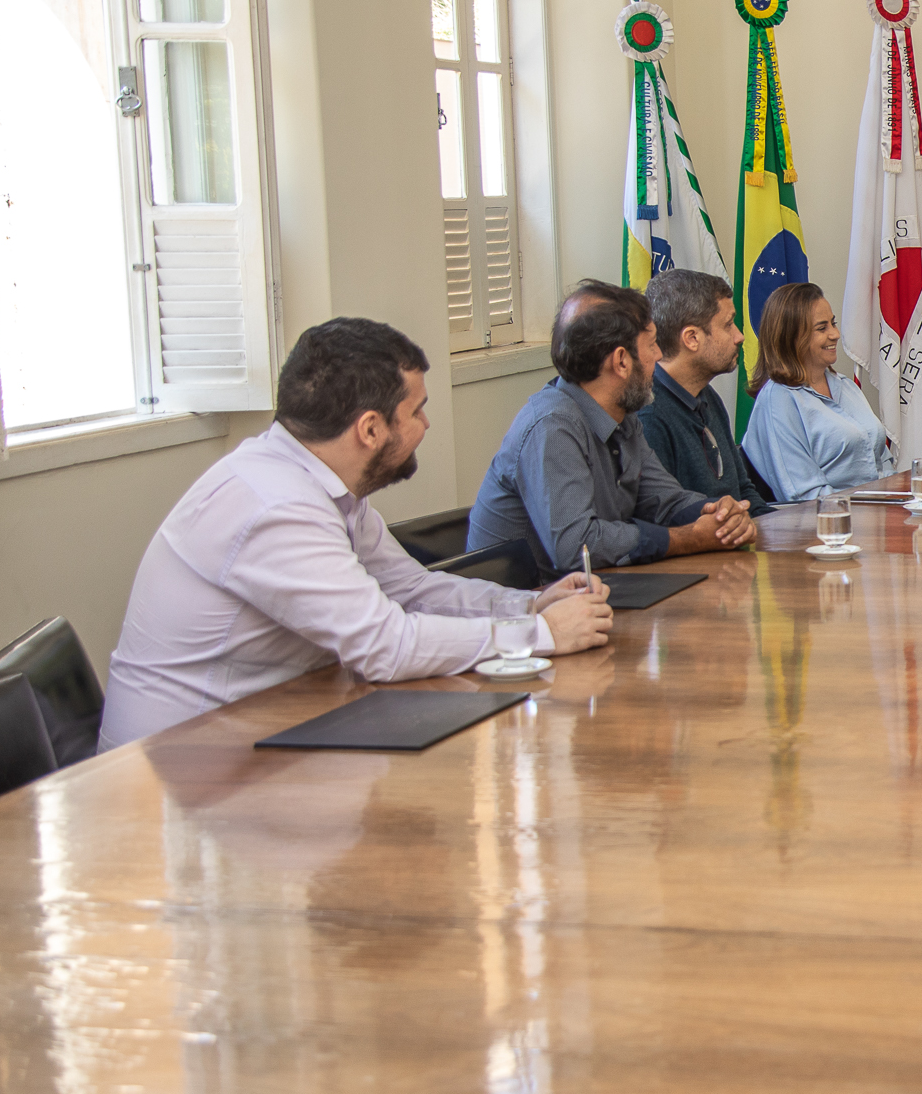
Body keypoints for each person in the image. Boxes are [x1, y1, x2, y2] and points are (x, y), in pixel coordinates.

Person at [97, 319, 615, 751]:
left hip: (271, 728)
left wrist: (527, 607)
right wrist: (544, 637)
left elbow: (411, 591)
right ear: (370, 429)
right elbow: (384, 647)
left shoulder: (323, 484)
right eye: (416, 411)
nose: (427, 425)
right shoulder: (276, 505)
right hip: (180, 770)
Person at [469, 280, 757, 571]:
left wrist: (719, 514)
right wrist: (689, 538)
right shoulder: (552, 427)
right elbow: (577, 547)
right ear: (621, 361)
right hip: (526, 607)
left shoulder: (623, 416)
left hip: (595, 594)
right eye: (652, 344)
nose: (659, 356)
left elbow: (665, 501)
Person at [740, 282, 895, 501]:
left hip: (880, 514)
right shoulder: (779, 398)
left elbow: (884, 463)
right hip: (828, 526)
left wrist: (901, 499)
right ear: (791, 338)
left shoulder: (845, 386)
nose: (835, 334)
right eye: (822, 328)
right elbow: (803, 493)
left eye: (833, 324)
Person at [639, 270, 775, 517]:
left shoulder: (707, 395)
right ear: (692, 338)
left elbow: (742, 492)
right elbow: (666, 518)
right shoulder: (649, 416)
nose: (739, 336)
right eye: (728, 324)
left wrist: (778, 531)